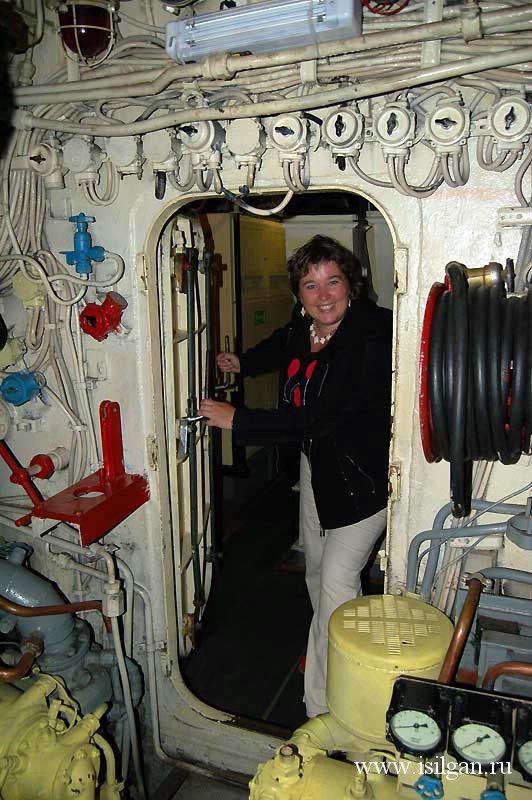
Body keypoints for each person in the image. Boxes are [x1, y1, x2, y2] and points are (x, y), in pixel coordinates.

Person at [199, 235, 392, 718]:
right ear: (299, 293)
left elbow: (324, 417)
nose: (323, 296)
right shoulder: (304, 326)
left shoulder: (371, 334)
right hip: (318, 466)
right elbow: (283, 346)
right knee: (316, 569)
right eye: (311, 285)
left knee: (337, 584)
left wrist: (239, 420)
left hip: (364, 480)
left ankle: (329, 705)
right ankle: (329, 648)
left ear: (351, 285)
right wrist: (243, 363)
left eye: (333, 282)